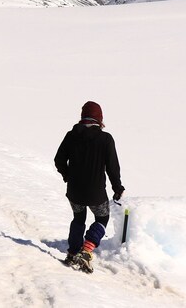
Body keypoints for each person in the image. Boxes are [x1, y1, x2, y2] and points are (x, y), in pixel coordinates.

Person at [54, 101, 125, 273]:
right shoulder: (105, 139)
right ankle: (86, 251)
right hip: (96, 193)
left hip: (74, 191)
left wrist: (68, 176)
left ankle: (72, 253)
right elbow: (112, 167)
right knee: (102, 219)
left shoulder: (71, 135)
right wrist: (118, 187)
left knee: (78, 218)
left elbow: (59, 160)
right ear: (99, 118)